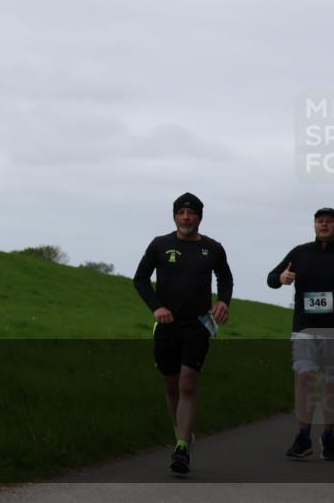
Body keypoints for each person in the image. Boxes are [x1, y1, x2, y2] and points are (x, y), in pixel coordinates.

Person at [132, 193, 233, 475]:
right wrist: (157, 307)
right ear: (174, 216)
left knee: (188, 383)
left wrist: (223, 300)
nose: (186, 218)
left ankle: (182, 448)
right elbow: (140, 279)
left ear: (200, 217)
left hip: (198, 324)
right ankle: (182, 434)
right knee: (171, 385)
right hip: (166, 325)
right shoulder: (160, 245)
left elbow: (225, 277)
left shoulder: (213, 248)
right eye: (181, 213)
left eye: (192, 213)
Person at [267, 207, 334, 461]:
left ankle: (329, 436)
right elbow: (271, 278)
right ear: (314, 225)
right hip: (305, 328)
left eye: (330, 221)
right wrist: (282, 278)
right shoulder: (299, 253)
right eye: (320, 221)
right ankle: (303, 436)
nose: (324, 225)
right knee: (305, 377)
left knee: (332, 382)